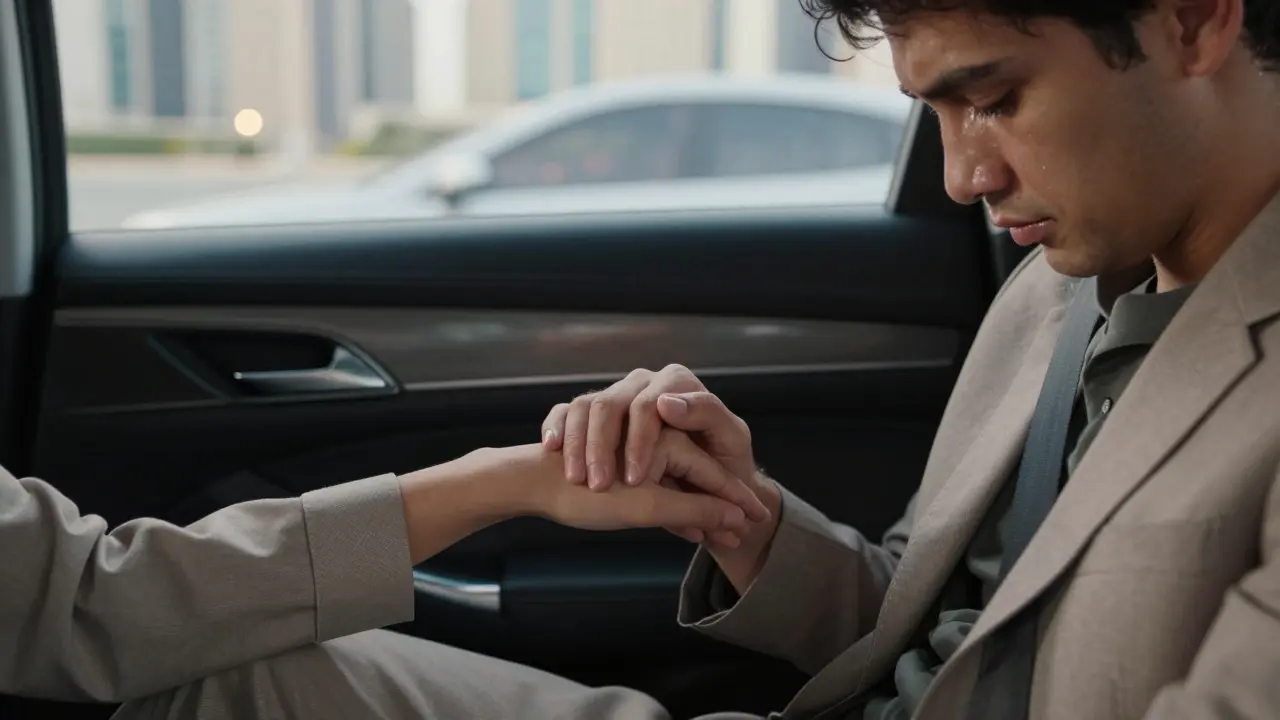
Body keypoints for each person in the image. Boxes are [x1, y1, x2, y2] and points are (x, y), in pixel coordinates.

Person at [3, 0, 1279, 718]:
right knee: (228, 681)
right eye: (933, 113)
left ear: (1191, 20)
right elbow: (941, 629)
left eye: (992, 100)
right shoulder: (1054, 297)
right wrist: (743, 523)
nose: (961, 175)